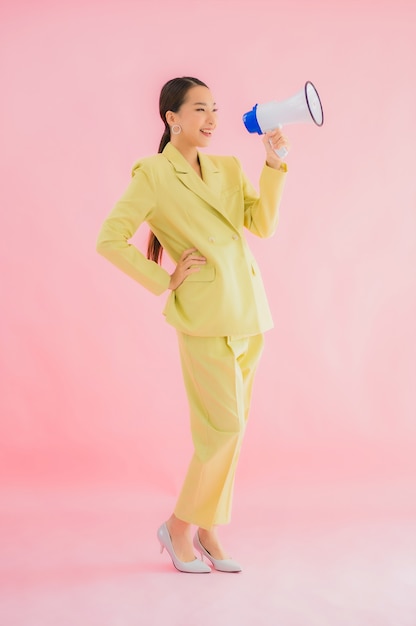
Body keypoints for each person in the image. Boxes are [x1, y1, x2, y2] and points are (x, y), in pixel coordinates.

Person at [96, 76, 289, 573]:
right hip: (204, 316)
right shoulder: (154, 174)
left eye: (215, 110)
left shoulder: (226, 167)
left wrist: (273, 164)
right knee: (221, 429)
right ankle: (180, 526)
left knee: (234, 431)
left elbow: (261, 224)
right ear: (171, 118)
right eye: (199, 109)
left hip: (248, 310)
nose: (211, 119)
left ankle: (208, 527)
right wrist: (165, 277)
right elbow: (110, 238)